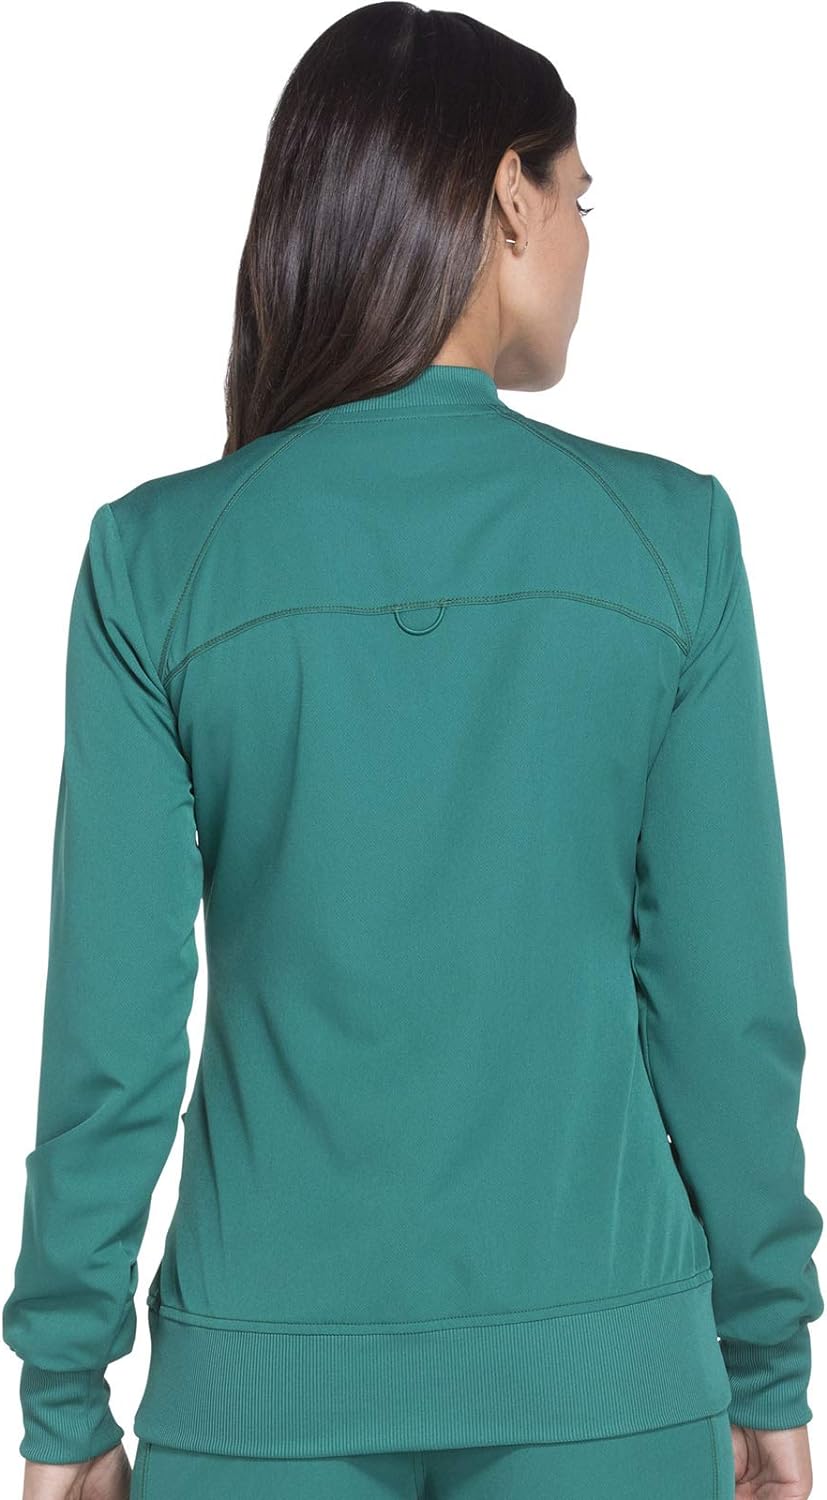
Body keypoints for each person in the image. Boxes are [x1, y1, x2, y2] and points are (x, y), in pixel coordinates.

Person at [3, 4, 823, 1498]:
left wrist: (64, 1395)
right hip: (610, 1391)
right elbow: (725, 1016)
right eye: (582, 200)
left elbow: (111, 1041)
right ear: (509, 195)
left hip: (258, 1402)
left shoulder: (156, 561)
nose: (586, 243)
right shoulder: (671, 542)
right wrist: (767, 1356)